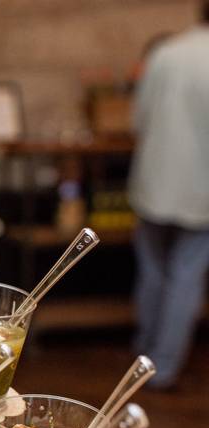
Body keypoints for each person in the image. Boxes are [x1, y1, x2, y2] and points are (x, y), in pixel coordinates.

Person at [128, 2, 209, 389]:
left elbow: (138, 118)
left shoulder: (166, 52)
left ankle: (144, 350)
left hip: (154, 182)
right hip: (201, 190)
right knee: (185, 276)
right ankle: (163, 366)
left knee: (154, 269)